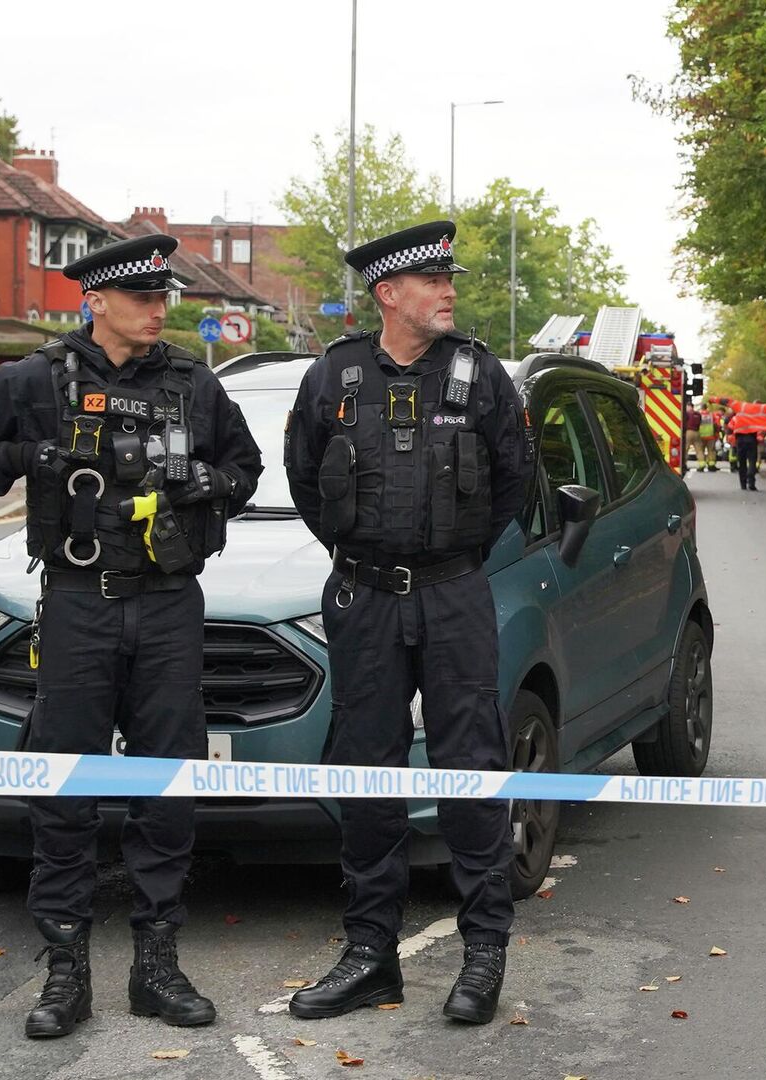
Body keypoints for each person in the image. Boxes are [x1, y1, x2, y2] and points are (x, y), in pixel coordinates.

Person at [0, 234, 263, 1038]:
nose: (158, 310)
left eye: (163, 299)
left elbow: (246, 471)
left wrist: (203, 482)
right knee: (65, 786)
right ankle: (67, 969)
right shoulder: (38, 379)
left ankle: (157, 964)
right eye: (143, 298)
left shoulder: (191, 383)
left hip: (171, 604)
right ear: (97, 301)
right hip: (78, 602)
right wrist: (34, 457)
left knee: (167, 784)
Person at [284, 221, 528, 1025]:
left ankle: (483, 952)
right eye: (431, 281)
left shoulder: (481, 376)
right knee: (367, 775)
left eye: (447, 278)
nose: (448, 290)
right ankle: (370, 956)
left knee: (471, 769)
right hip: (363, 598)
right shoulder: (334, 377)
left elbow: (512, 485)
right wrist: (367, 557)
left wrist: (444, 560)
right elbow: (307, 481)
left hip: (454, 594)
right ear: (389, 294)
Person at [729, 404, 764, 491]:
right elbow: (760, 429)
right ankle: (751, 479)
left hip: (740, 441)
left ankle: (743, 484)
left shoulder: (736, 417)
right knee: (752, 461)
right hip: (752, 440)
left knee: (742, 463)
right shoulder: (753, 418)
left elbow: (730, 427)